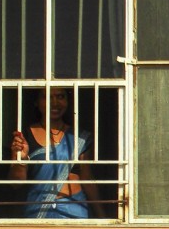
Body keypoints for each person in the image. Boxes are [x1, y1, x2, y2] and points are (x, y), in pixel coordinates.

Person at [8, 87, 104, 218]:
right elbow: (16, 183)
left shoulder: (79, 137)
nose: (55, 103)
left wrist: (102, 216)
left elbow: (87, 179)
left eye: (60, 97)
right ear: (36, 102)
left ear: (68, 101)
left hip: (75, 208)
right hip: (37, 210)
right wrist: (21, 160)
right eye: (47, 97)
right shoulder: (24, 136)